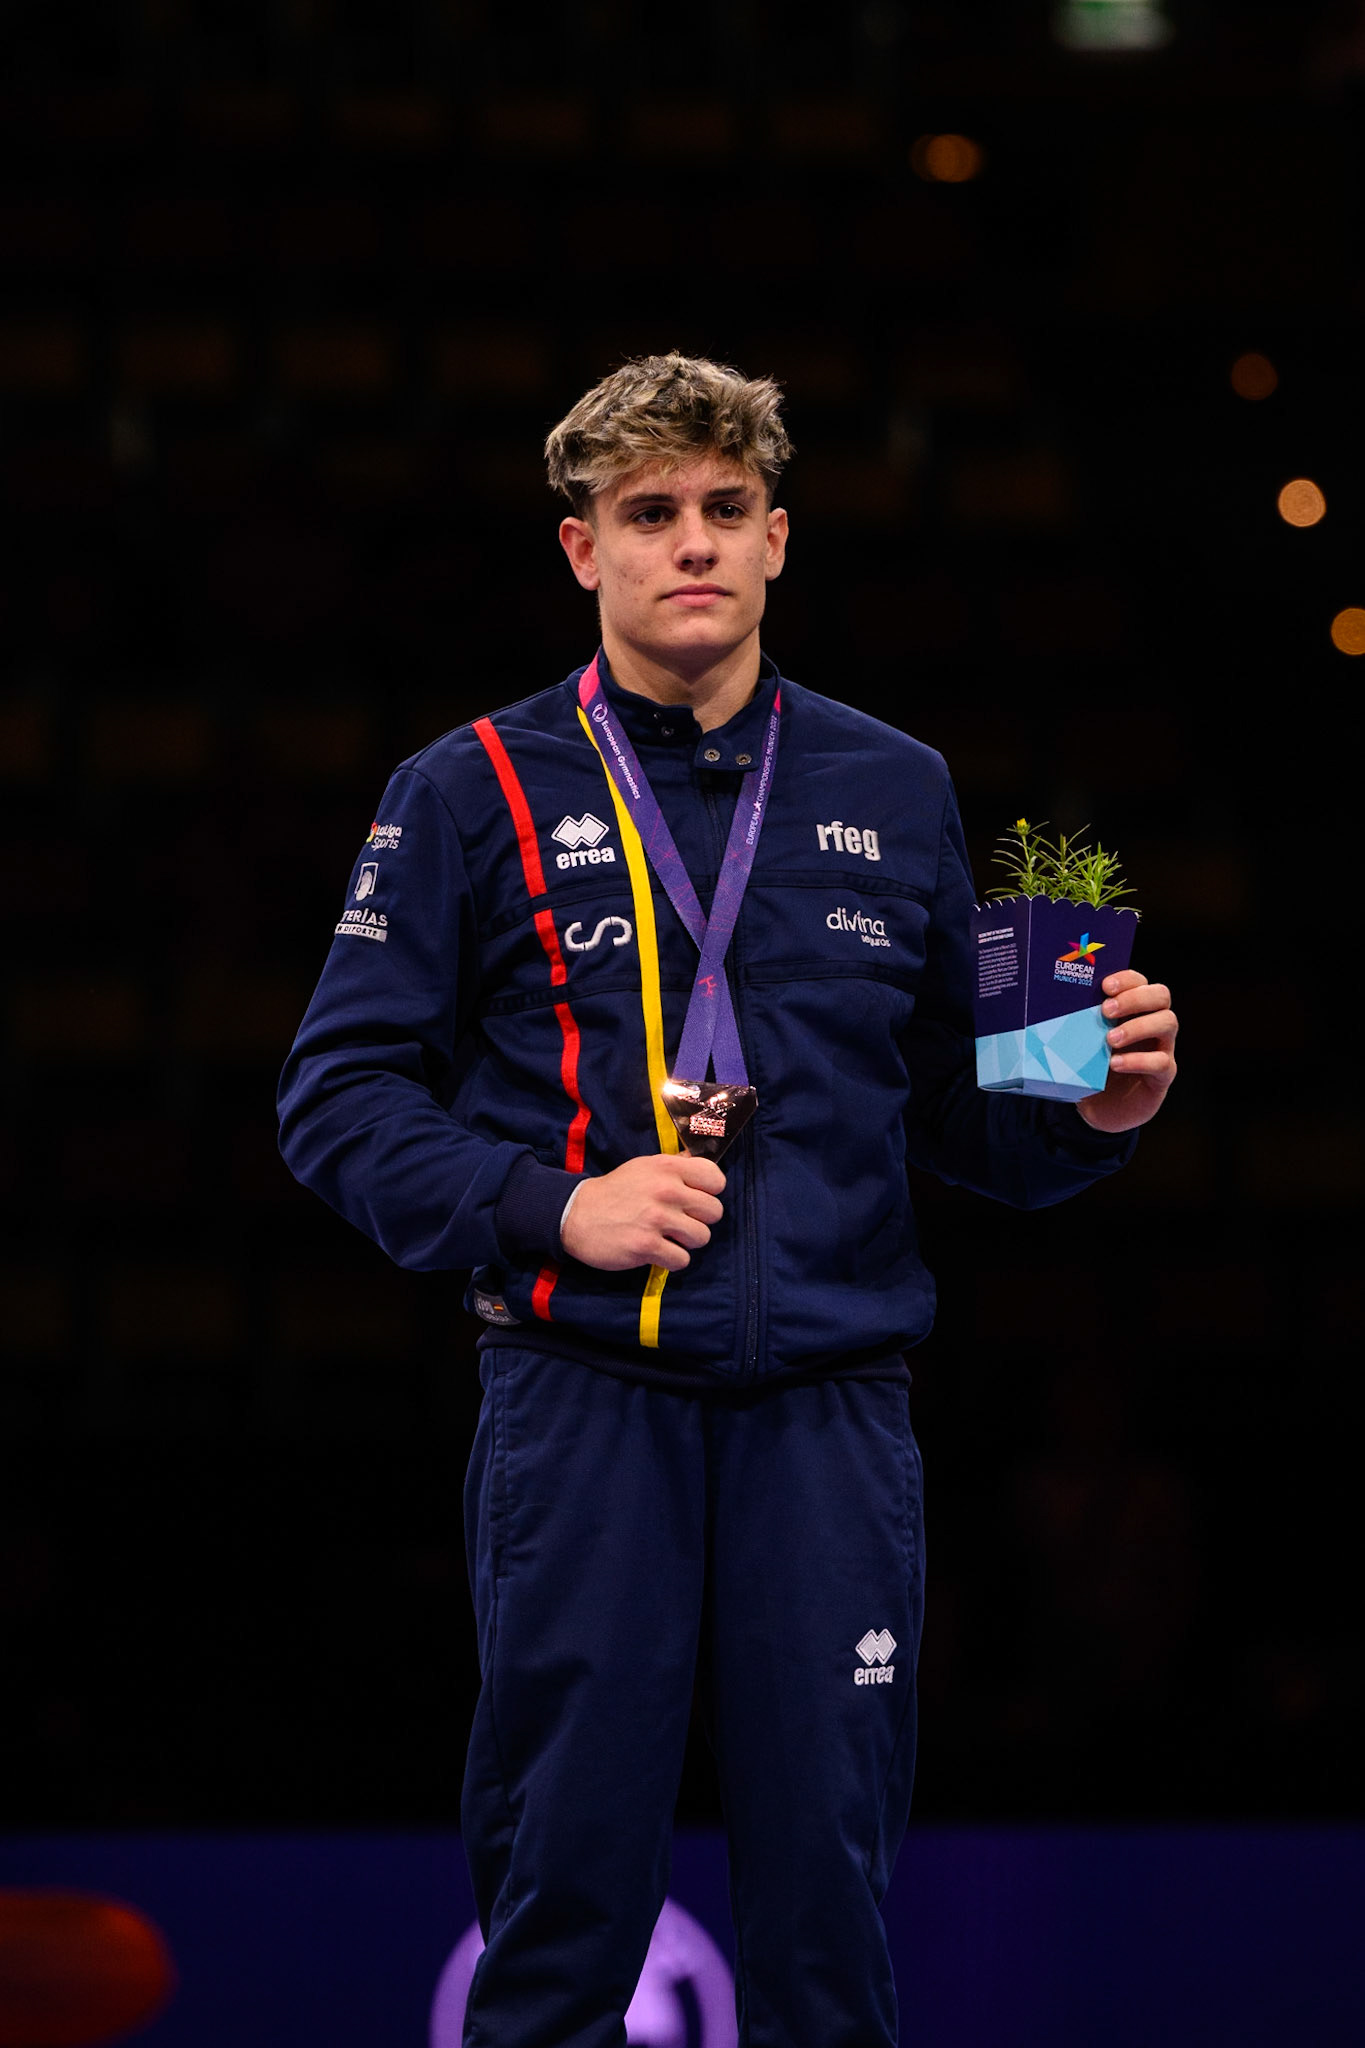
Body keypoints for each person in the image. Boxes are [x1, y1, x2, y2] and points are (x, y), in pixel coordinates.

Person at [277, 353, 1179, 2047]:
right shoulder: (465, 787)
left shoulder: (894, 786)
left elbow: (951, 1114)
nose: (689, 544)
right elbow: (333, 1102)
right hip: (583, 1401)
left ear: (777, 540)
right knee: (562, 1901)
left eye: (721, 510)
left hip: (831, 1414)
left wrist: (1094, 1115)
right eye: (647, 515)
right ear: (581, 552)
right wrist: (560, 1210)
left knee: (829, 1908)